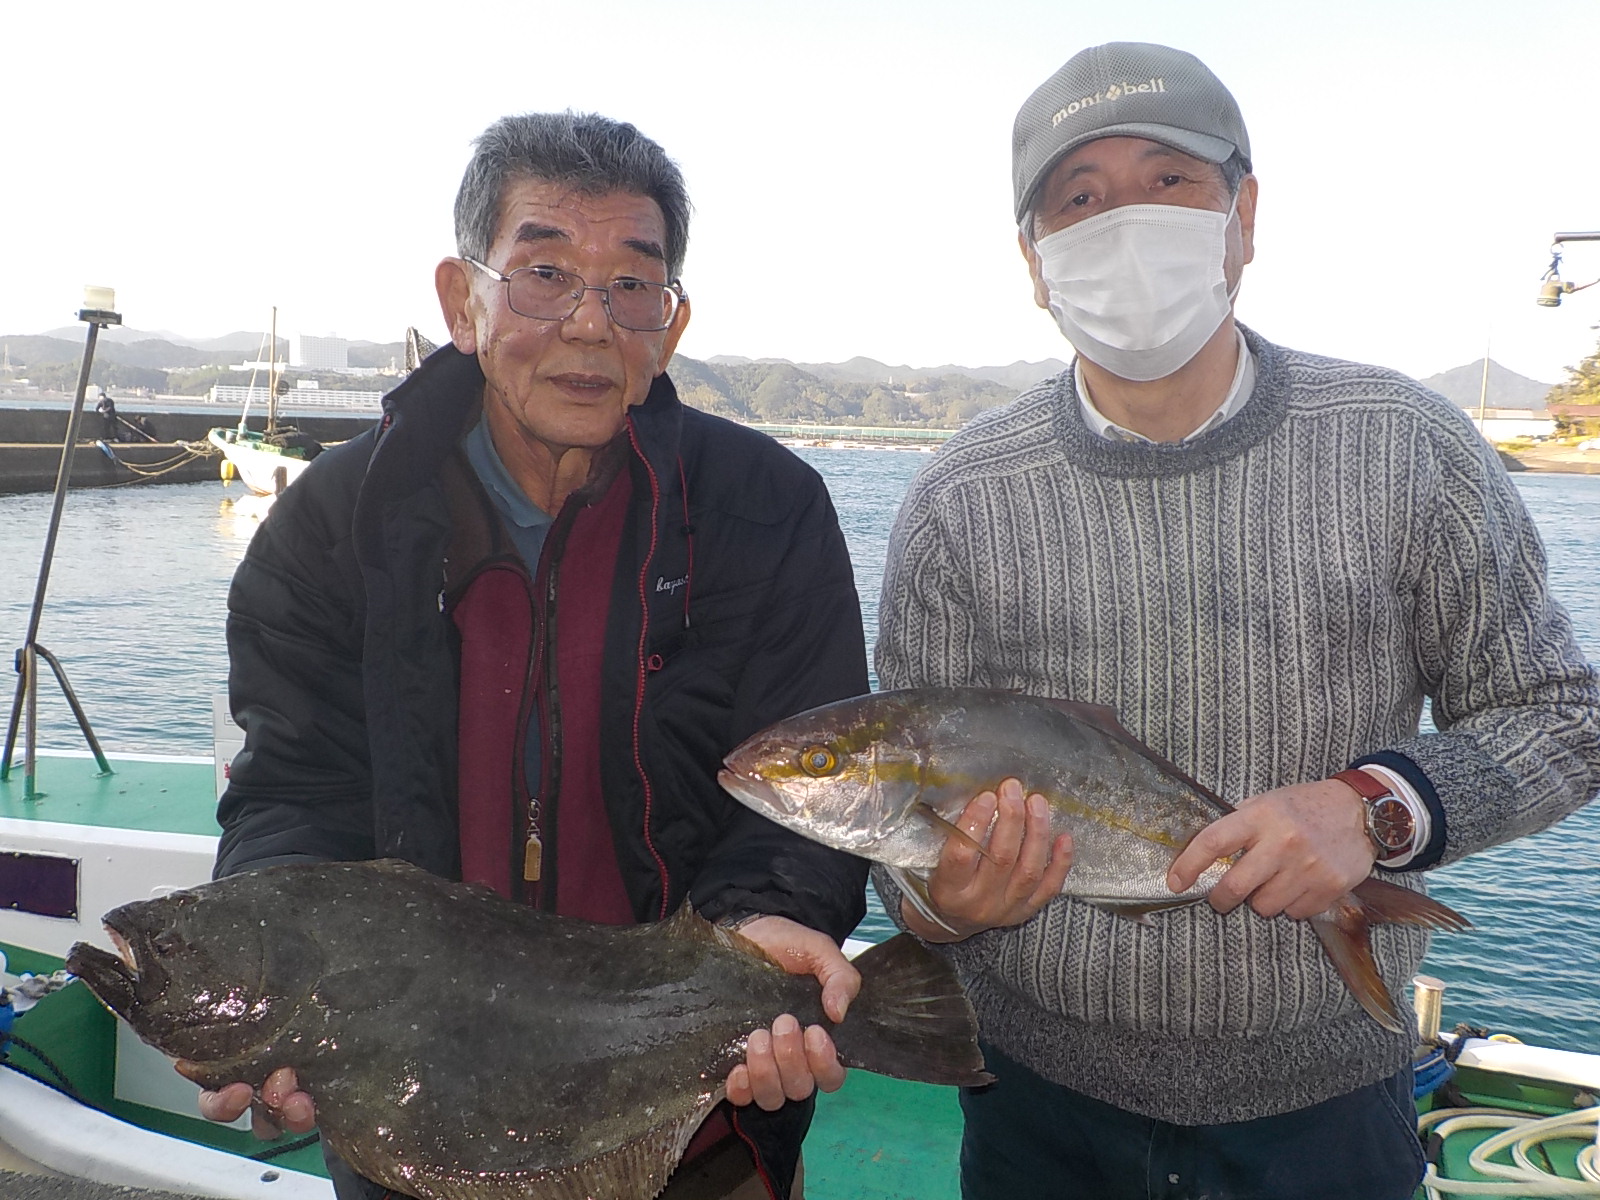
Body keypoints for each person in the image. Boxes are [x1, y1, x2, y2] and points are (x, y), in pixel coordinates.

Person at [874, 41, 1600, 1200]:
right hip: (1034, 1100)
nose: (1124, 222)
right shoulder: (963, 497)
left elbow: (1564, 717)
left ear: (1243, 213)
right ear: (1033, 257)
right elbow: (898, 805)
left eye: (1169, 182)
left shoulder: (1404, 444)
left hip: (1326, 1105)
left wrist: (1378, 808)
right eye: (1080, 198)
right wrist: (936, 904)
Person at [194, 111, 870, 1200]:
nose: (590, 325)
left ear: (672, 321)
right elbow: (297, 785)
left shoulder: (763, 508)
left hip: (692, 1121)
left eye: (632, 286)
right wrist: (279, 972)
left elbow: (809, 788)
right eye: (545, 272)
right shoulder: (335, 522)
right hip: (413, 1106)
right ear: (463, 301)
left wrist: (765, 922)